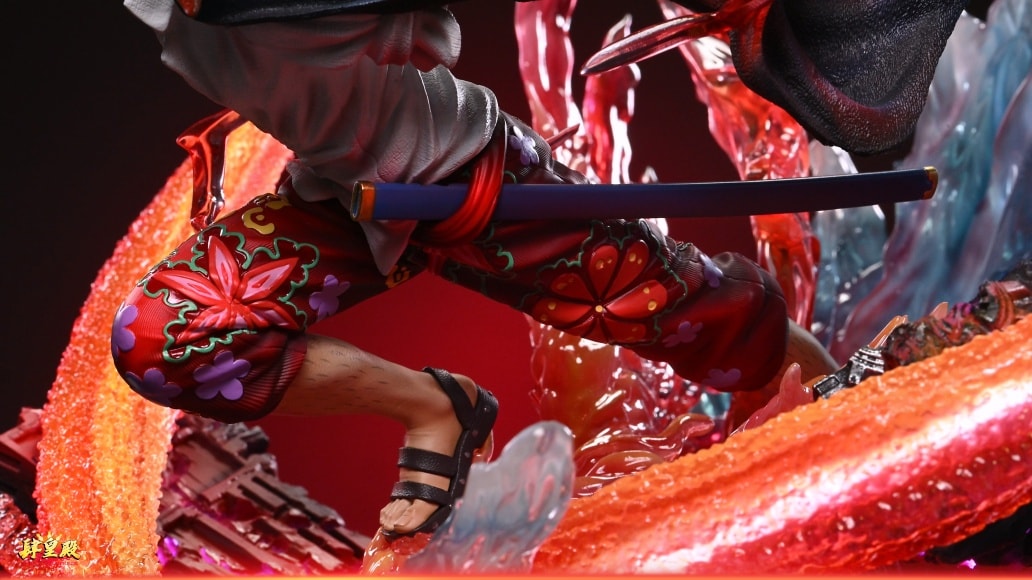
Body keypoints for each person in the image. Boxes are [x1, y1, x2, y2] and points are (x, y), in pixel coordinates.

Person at [112, 0, 955, 538]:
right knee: (165, 340)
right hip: (342, 204)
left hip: (478, 186)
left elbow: (422, 37)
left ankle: (860, 431)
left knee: (713, 327)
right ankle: (435, 410)